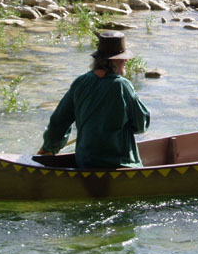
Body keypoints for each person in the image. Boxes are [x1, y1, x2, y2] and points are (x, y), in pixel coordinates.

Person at [37, 31, 150, 168]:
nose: (126, 61)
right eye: (123, 58)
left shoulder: (80, 82)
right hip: (120, 164)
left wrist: (49, 149)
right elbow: (141, 125)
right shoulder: (122, 85)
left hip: (85, 162)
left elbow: (58, 122)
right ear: (114, 60)